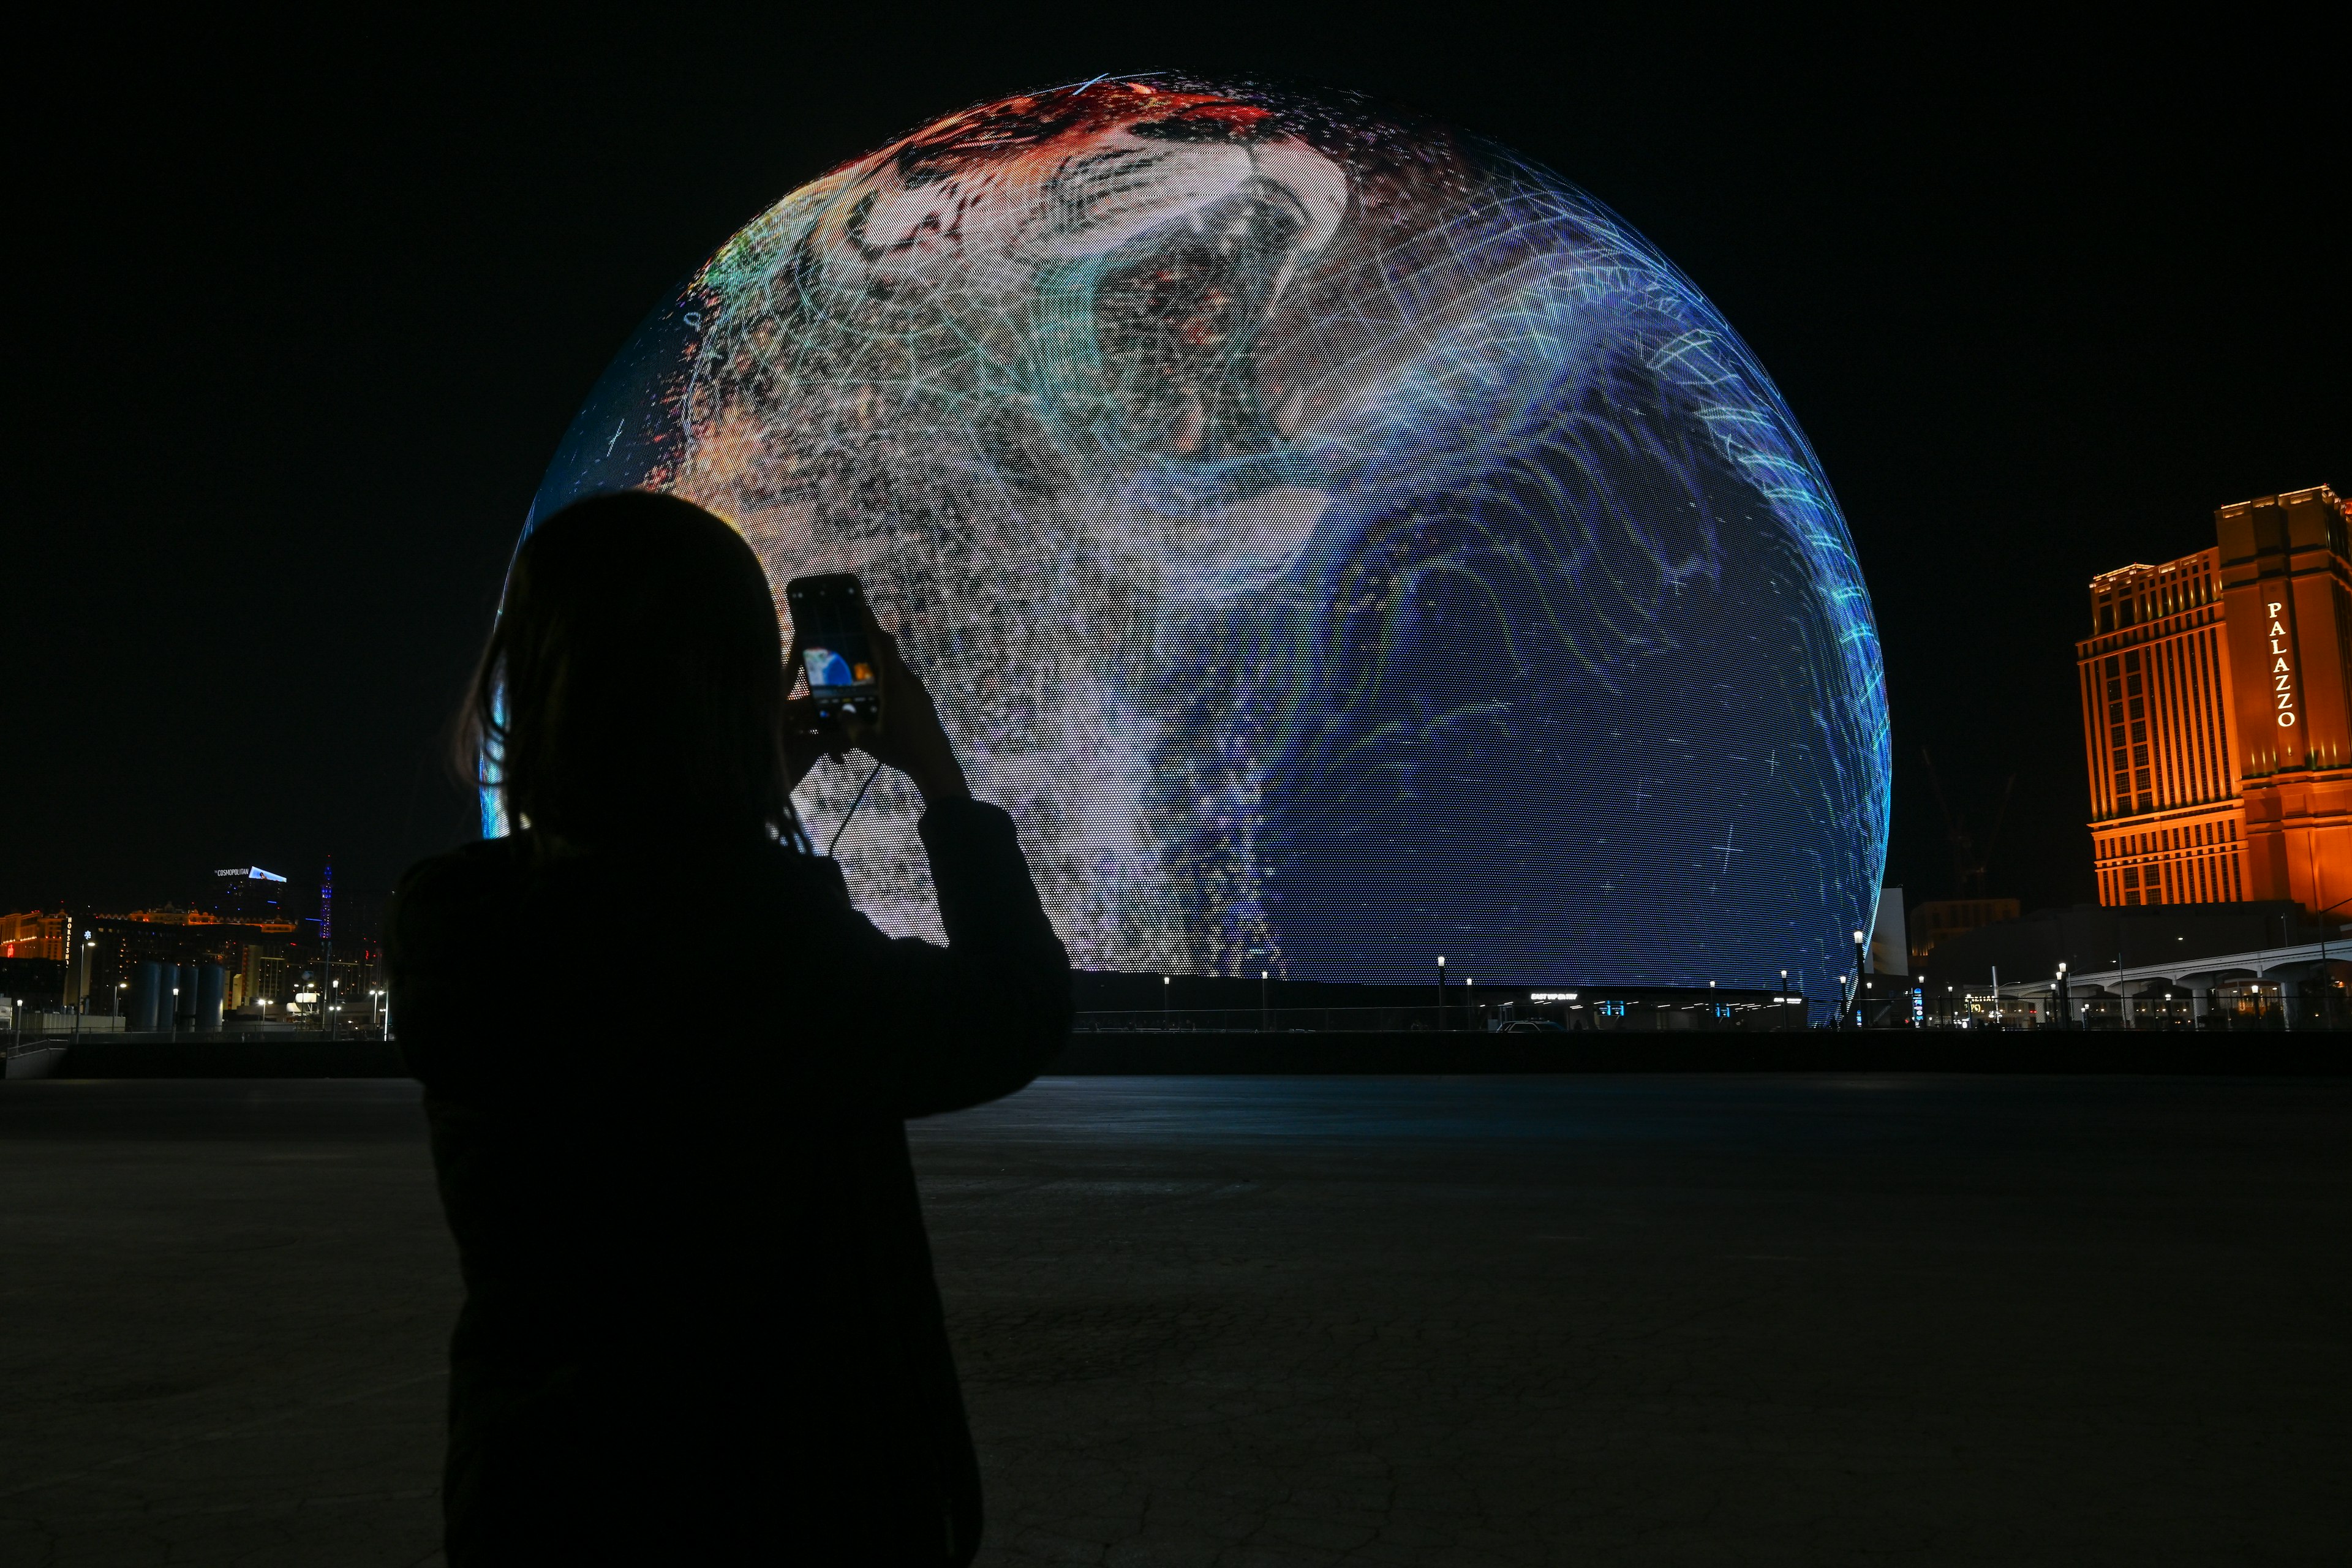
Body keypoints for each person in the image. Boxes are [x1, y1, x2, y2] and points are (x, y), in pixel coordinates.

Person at [388, 490, 1071, 1564]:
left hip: (542, 1504)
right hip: (788, 1514)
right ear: (737, 685)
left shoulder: (454, 925)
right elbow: (1015, 1012)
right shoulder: (774, 945)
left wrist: (734, 792)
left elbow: (628, 909)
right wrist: (942, 780)